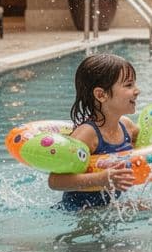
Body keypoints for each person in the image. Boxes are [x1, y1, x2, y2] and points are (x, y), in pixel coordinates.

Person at [50, 53, 140, 211]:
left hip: (108, 208)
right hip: (79, 213)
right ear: (101, 95)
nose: (137, 91)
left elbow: (151, 145)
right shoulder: (87, 134)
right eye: (128, 85)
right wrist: (100, 179)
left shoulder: (127, 126)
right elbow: (55, 181)